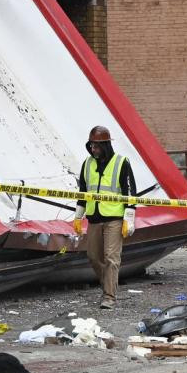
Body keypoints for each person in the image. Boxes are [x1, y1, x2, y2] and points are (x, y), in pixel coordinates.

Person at [73, 125, 137, 309]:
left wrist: (129, 219)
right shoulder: (87, 164)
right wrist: (78, 217)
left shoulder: (121, 162)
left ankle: (109, 296)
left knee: (111, 257)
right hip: (94, 218)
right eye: (91, 146)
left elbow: (131, 193)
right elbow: (83, 192)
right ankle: (108, 283)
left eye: (97, 146)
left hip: (114, 218)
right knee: (93, 256)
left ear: (106, 145)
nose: (93, 149)